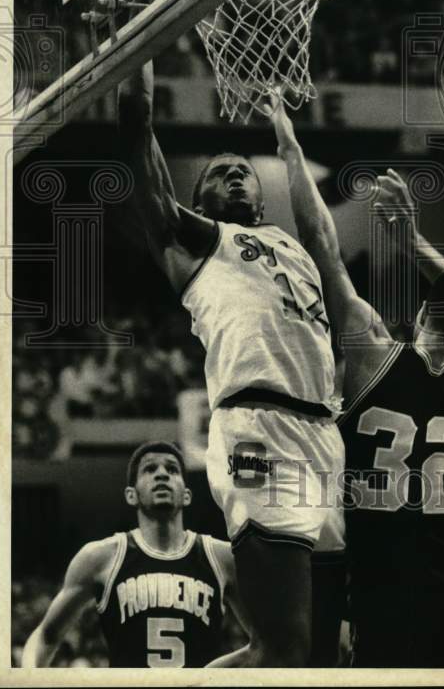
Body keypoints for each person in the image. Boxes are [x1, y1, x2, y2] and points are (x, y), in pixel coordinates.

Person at [270, 98, 444, 669]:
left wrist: (291, 147)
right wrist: (415, 243)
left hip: (383, 591)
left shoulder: (375, 356)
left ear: (420, 315)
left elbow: (323, 245)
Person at [115, 64, 345, 667]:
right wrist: (136, 73)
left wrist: (289, 143)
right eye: (220, 174)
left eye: (243, 171)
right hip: (258, 430)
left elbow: (321, 231)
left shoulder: (291, 246)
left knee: (333, 645)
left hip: (325, 432)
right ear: (202, 200)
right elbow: (147, 173)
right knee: (282, 648)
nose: (236, 176)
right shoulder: (196, 245)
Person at [21, 441, 245, 668]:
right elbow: (45, 637)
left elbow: (268, 645)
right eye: (149, 469)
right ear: (131, 495)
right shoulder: (100, 558)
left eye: (172, 469)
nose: (162, 475)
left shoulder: (221, 557)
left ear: (186, 495)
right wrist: (27, 678)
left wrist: (214, 672)